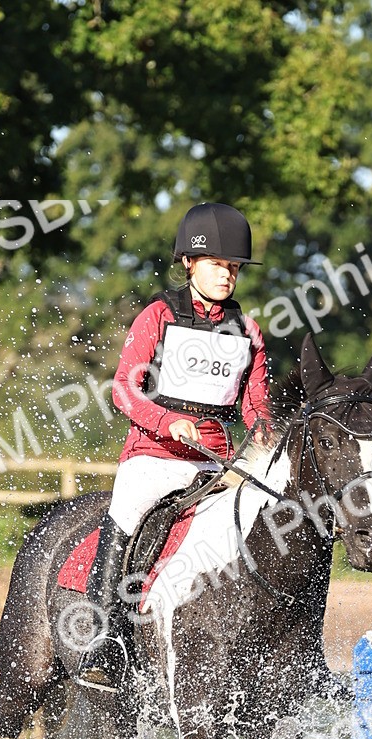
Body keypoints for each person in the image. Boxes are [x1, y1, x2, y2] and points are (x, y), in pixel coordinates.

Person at [77, 202, 272, 691]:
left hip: (217, 466)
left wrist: (267, 438)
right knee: (127, 509)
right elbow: (124, 388)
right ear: (189, 262)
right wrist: (169, 422)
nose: (228, 275)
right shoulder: (158, 316)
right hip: (154, 458)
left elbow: (256, 408)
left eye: (234, 267)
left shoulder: (248, 333)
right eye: (218, 265)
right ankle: (104, 641)